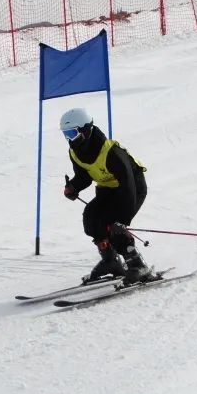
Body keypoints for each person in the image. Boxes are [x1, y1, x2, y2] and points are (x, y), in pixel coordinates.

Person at [60, 107, 155, 284]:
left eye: (72, 133)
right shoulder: (75, 152)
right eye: (66, 134)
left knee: (113, 225)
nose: (69, 139)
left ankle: (138, 265)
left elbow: (129, 186)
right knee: (92, 217)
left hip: (132, 188)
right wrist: (74, 186)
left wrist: (123, 219)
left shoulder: (112, 153)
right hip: (107, 189)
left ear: (85, 130)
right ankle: (111, 261)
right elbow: (84, 175)